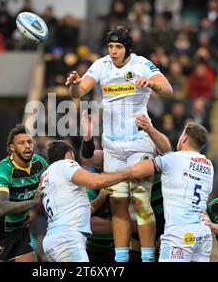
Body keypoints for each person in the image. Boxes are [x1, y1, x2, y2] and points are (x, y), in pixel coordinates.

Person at [66, 26, 173, 262]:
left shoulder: (142, 64)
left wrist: (153, 84)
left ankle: (147, 258)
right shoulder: (100, 65)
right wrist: (74, 84)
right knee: (118, 205)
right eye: (111, 46)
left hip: (139, 141)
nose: (113, 51)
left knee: (141, 200)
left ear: (127, 49)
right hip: (112, 145)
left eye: (118, 47)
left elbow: (168, 89)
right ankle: (121, 259)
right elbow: (78, 91)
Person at [80, 111, 169, 261]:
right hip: (136, 227)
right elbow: (87, 157)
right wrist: (88, 137)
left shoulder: (150, 148)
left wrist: (149, 129)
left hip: (164, 221)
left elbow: (167, 150)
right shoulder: (115, 155)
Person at [124, 123, 214, 262]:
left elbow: (135, 171)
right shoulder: (208, 165)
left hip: (179, 232)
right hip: (202, 232)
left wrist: (107, 177)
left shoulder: (173, 159)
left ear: (184, 138)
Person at [40, 140, 131, 262]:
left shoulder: (46, 175)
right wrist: (125, 174)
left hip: (52, 240)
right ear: (68, 155)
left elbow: (75, 210)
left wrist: (99, 199)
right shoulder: (66, 164)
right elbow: (95, 181)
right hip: (68, 239)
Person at [0, 124, 48, 262]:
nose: (27, 146)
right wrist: (32, 203)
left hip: (20, 230)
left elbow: (50, 190)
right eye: (21, 143)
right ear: (12, 148)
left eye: (29, 142)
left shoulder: (40, 163)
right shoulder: (2, 171)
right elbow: (2, 208)